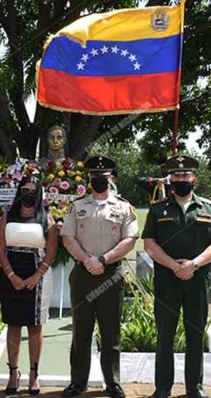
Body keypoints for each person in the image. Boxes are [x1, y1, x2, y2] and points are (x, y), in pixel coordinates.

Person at [142, 155, 211, 398]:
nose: (181, 179)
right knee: (165, 335)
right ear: (170, 180)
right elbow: (149, 243)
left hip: (198, 280)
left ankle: (194, 387)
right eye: (176, 176)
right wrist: (174, 266)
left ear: (194, 179)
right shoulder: (159, 209)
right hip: (167, 281)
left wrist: (193, 264)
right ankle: (163, 388)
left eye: (185, 175)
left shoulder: (208, 208)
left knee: (195, 334)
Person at [60, 156, 139, 398]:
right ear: (89, 178)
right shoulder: (77, 206)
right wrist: (87, 260)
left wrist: (103, 260)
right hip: (83, 274)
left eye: (103, 176)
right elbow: (67, 237)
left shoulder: (124, 207)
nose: (98, 180)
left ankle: (112, 382)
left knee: (110, 332)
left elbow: (130, 239)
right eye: (94, 176)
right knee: (80, 332)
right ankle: (78, 383)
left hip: (110, 275)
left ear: (111, 178)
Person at [0, 175, 58, 396]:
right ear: (19, 192)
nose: (28, 193)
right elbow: (1, 248)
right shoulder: (7, 217)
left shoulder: (46, 219)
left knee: (34, 326)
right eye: (24, 189)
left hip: (37, 275)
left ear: (39, 193)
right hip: (10, 272)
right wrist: (11, 275)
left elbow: (51, 252)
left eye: (33, 190)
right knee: (13, 325)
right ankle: (13, 373)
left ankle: (34, 373)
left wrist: (36, 276)